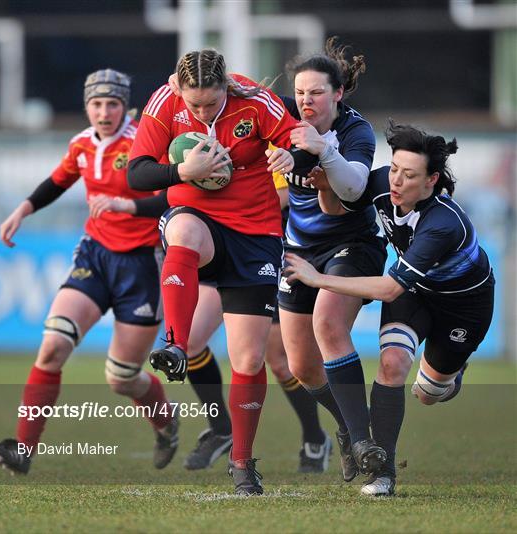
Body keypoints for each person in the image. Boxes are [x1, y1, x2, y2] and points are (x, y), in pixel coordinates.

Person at [284, 121, 495, 496]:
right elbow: (338, 204)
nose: (396, 181)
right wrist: (325, 183)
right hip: (415, 295)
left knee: (429, 393)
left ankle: (450, 372)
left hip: (464, 307)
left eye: (409, 175)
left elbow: (388, 287)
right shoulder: (383, 183)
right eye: (394, 169)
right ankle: (382, 475)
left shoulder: (443, 224)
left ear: (431, 181)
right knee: (392, 363)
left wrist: (317, 279)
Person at [127, 48, 300, 495]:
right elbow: (138, 174)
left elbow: (298, 139)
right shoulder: (165, 102)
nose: (202, 111)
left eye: (211, 103)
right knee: (182, 230)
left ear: (227, 87)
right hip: (198, 218)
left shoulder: (255, 101)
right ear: (178, 89)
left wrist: (293, 159)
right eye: (194, 104)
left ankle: (243, 463)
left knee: (248, 359)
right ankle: (176, 344)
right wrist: (184, 170)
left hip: (255, 232)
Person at [0, 69, 178, 475]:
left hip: (144, 264)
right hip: (95, 256)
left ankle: (166, 423)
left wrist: (127, 206)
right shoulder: (80, 145)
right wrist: (22, 209)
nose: (104, 111)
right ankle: (23, 449)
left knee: (122, 378)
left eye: (112, 103)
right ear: (86, 106)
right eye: (96, 103)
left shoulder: (145, 142)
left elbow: (173, 195)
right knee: (53, 347)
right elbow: (57, 181)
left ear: (124, 107)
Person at [277, 37, 388, 482]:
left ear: (338, 93)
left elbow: (354, 190)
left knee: (327, 323)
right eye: (301, 92)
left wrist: (325, 150)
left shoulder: (354, 131)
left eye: (317, 92)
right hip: (299, 250)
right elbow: (238, 92)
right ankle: (347, 427)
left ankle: (364, 442)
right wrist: (206, 78)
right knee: (300, 366)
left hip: (353, 246)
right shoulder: (283, 118)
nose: (307, 100)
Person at [182, 175, 330, 473]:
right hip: (227, 245)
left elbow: (283, 195)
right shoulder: (221, 133)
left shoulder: (275, 135)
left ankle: (315, 438)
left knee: (279, 361)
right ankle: (222, 428)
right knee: (189, 341)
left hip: (266, 248)